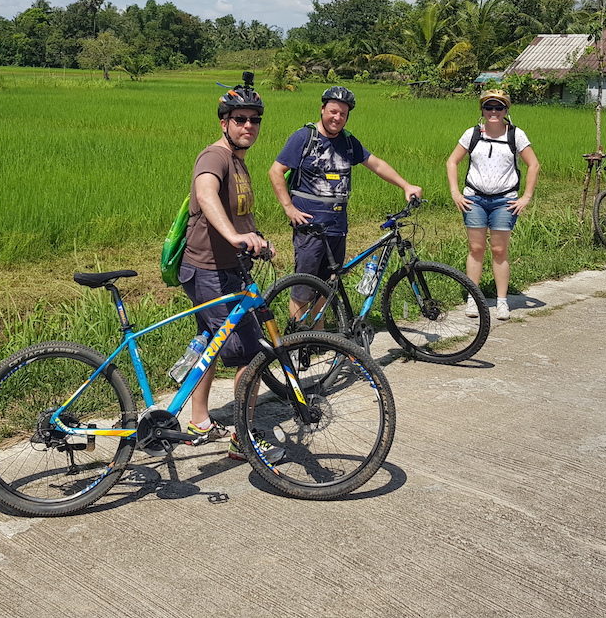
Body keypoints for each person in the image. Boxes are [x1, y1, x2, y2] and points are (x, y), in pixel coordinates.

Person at [179, 73, 280, 462]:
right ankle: (244, 436)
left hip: (222, 269)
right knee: (251, 355)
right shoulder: (215, 156)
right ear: (225, 122)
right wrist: (236, 239)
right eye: (240, 119)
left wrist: (257, 239)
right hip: (208, 270)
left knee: (210, 342)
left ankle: (199, 422)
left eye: (254, 120)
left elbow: (241, 215)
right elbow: (206, 195)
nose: (248, 127)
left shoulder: (238, 162)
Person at [268, 86, 422, 307]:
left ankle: (319, 338)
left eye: (342, 114)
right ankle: (298, 339)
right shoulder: (304, 137)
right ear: (322, 110)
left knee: (327, 286)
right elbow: (276, 171)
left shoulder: (348, 142)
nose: (337, 118)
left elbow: (376, 164)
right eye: (333, 111)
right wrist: (288, 207)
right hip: (309, 226)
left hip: (337, 227)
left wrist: (406, 185)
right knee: (303, 288)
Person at [445, 90, 540, 321]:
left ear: (507, 111)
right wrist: (455, 192)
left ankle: (501, 301)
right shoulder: (472, 134)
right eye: (489, 107)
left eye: (499, 107)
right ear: (482, 111)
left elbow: (534, 164)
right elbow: (452, 161)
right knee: (476, 249)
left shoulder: (515, 135)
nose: (494, 112)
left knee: (499, 251)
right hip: (474, 198)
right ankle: (473, 298)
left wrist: (526, 197)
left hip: (504, 201)